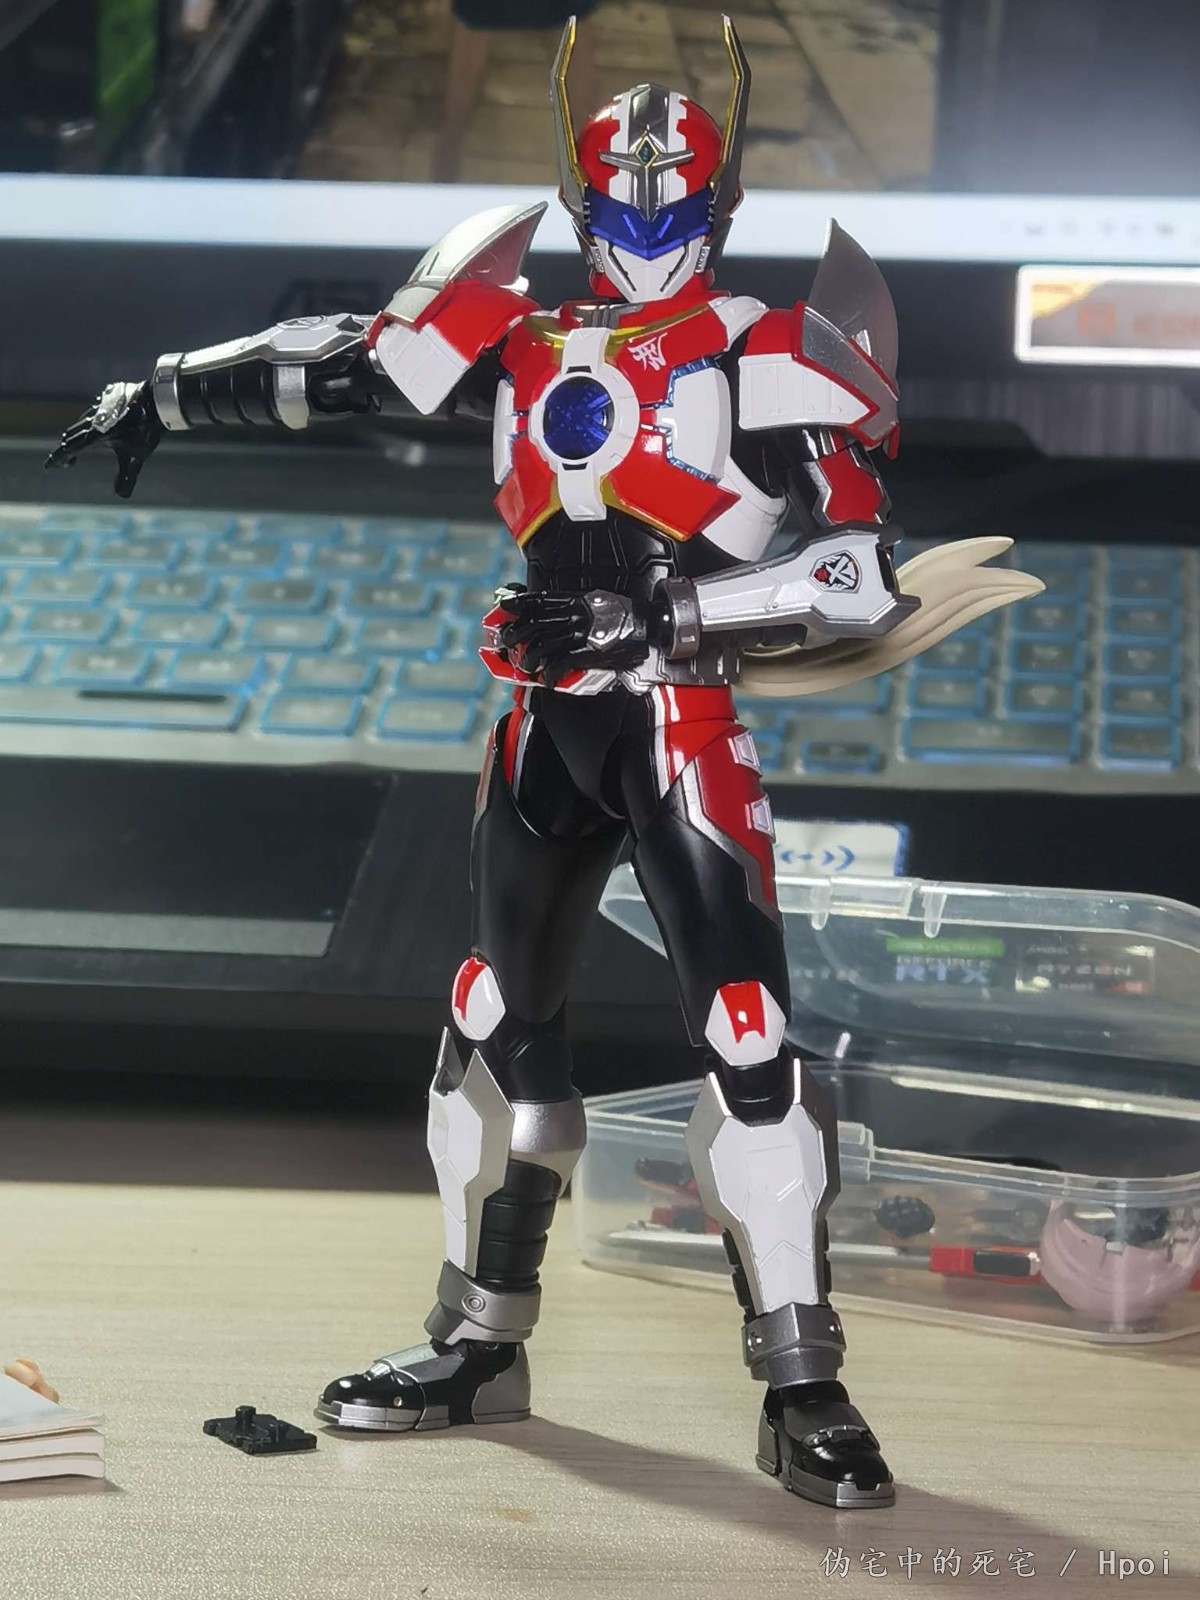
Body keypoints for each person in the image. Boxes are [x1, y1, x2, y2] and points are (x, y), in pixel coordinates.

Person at [47, 14, 1038, 1509]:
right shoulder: (517, 337)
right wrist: (167, 388)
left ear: (715, 204)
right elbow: (344, 367)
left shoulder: (767, 349)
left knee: (747, 1037)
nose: (642, 221)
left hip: (676, 719)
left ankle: (804, 1386)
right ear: (581, 202)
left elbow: (854, 574)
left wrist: (676, 611)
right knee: (493, 1019)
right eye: (616, 198)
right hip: (541, 724)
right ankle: (477, 1346)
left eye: (668, 198)